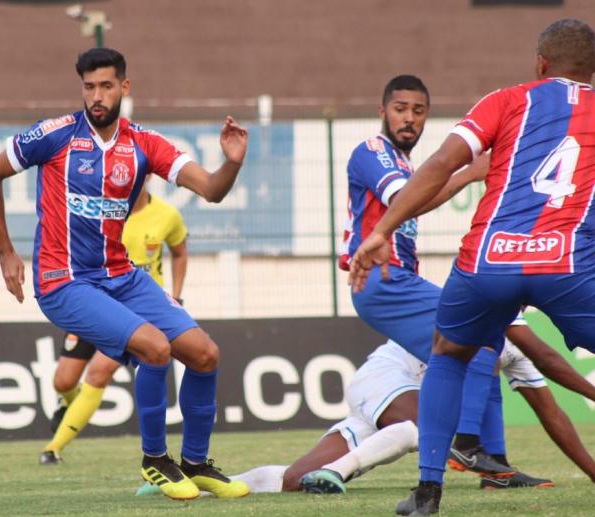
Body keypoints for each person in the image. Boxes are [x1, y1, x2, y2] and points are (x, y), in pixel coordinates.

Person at [348, 19, 595, 515]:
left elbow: (440, 162)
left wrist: (381, 231)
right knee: (504, 355)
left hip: (488, 259)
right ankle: (479, 449)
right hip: (566, 263)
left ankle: (428, 490)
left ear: (540, 64)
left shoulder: (503, 100)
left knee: (450, 353)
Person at [0, 47, 249, 500]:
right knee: (155, 348)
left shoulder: (144, 143)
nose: (97, 96)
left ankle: (197, 463)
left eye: (106, 86)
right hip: (62, 280)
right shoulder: (57, 134)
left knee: (205, 354)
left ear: (125, 87)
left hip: (121, 276)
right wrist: (5, 251)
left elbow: (211, 190)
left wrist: (233, 162)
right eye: (89, 87)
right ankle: (155, 461)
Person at [341, 74, 515, 479]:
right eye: (400, 109)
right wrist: (469, 174)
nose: (409, 118)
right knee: (477, 338)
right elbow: (405, 200)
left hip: (395, 282)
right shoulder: (373, 151)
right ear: (382, 111)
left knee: (482, 342)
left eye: (418, 111)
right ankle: (468, 445)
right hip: (384, 282)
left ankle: (496, 464)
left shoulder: (405, 163)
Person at [225, 318, 595, 495]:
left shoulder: (518, 344)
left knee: (294, 479)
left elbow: (551, 412)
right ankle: (483, 462)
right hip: (383, 381)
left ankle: (216, 485)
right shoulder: (473, 306)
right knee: (431, 429)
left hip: (400, 409)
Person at [41, 181, 188, 465]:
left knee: (98, 373)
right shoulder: (100, 211)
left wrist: (177, 295)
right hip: (94, 301)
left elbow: (180, 251)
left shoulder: (167, 215)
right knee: (63, 380)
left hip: (137, 309)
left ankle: (53, 448)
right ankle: (70, 404)